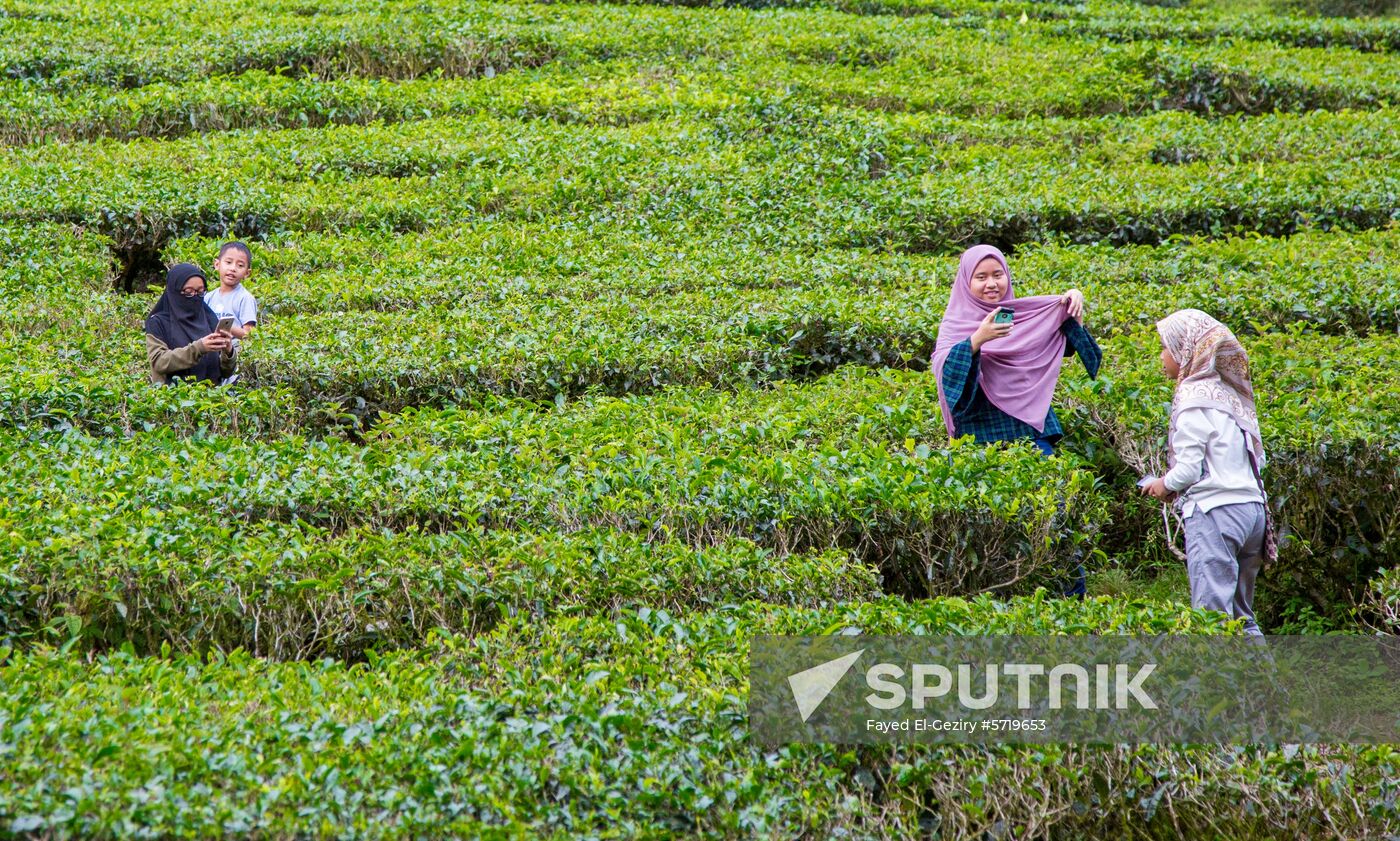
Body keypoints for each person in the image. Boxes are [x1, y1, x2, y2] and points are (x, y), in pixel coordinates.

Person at [931, 244, 1102, 596]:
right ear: (966, 281)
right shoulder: (957, 324)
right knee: (989, 527)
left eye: (998, 275)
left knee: (1053, 519)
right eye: (981, 277)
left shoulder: (1026, 314)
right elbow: (948, 380)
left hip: (1031, 432)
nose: (991, 284)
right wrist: (976, 341)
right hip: (980, 437)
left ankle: (1070, 598)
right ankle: (1000, 598)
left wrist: (1070, 306)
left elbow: (1064, 345)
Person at [1139, 309, 1276, 636]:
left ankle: (1216, 687)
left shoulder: (1192, 395)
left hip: (1216, 514)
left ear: (1186, 350)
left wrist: (1163, 484)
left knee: (1210, 619)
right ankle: (1266, 688)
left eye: (1165, 347)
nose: (1161, 356)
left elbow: (1188, 469)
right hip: (1253, 512)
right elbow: (1259, 458)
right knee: (1243, 617)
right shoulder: (1228, 393)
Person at [145, 263, 237, 385]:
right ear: (174, 292)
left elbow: (225, 373)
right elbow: (159, 362)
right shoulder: (158, 322)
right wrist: (199, 348)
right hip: (172, 399)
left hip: (212, 399)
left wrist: (228, 352)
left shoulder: (209, 318)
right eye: (188, 292)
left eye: (200, 292)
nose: (195, 297)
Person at [204, 241, 258, 343]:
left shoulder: (245, 298)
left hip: (235, 352)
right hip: (210, 349)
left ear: (247, 273)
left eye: (240, 265)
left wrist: (225, 327)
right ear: (217, 264)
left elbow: (250, 335)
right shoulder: (208, 297)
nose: (233, 268)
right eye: (228, 262)